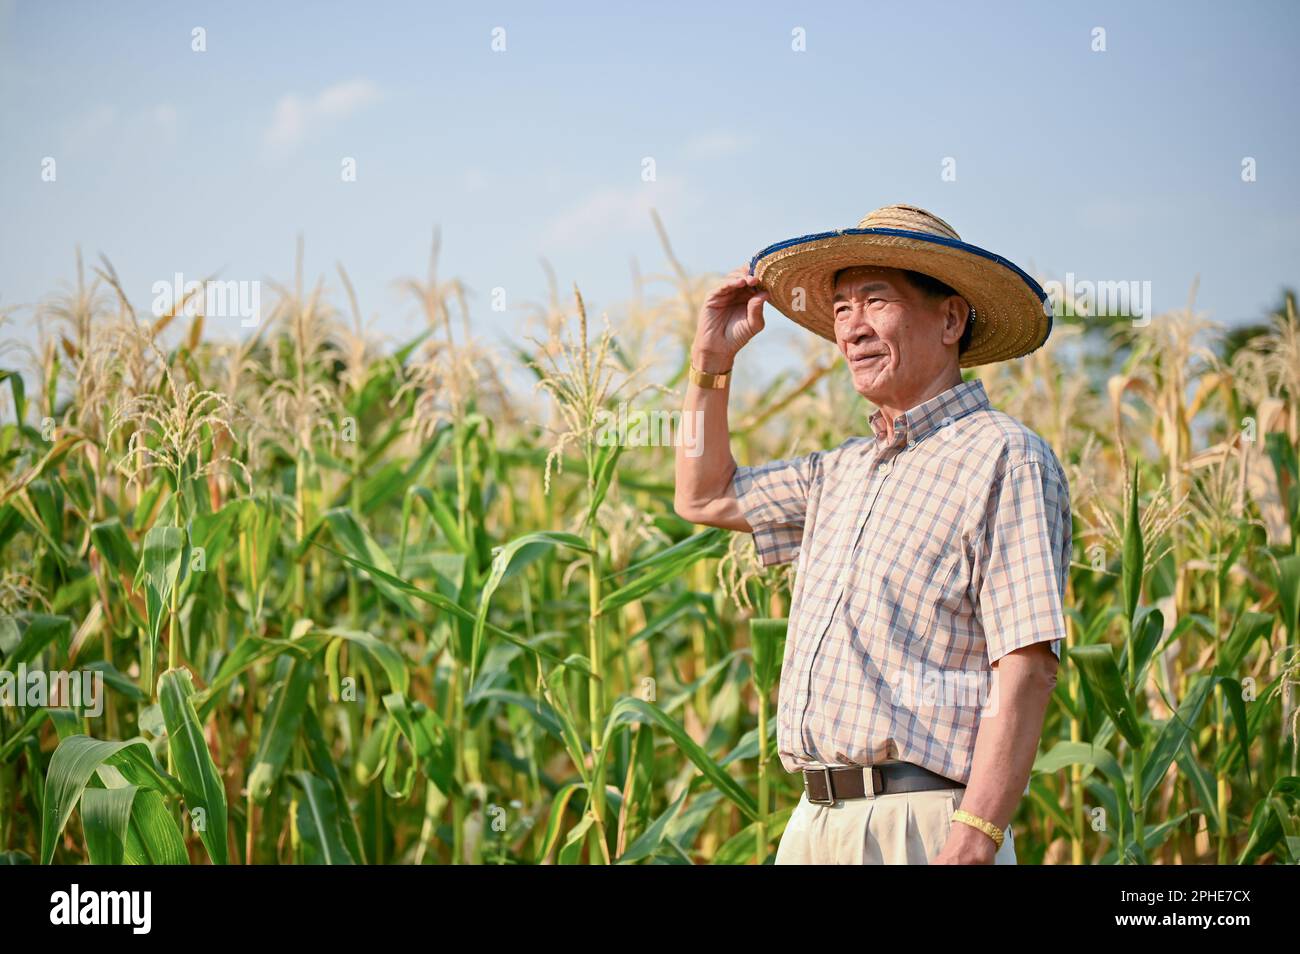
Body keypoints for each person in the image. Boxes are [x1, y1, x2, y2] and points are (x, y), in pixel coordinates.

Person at [674, 204, 1071, 864]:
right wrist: (711, 358)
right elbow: (703, 494)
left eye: (875, 301)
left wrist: (977, 834)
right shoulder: (839, 472)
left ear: (951, 319)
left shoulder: (1004, 457)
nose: (851, 329)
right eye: (840, 311)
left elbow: (1026, 664)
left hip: (923, 825)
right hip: (813, 824)